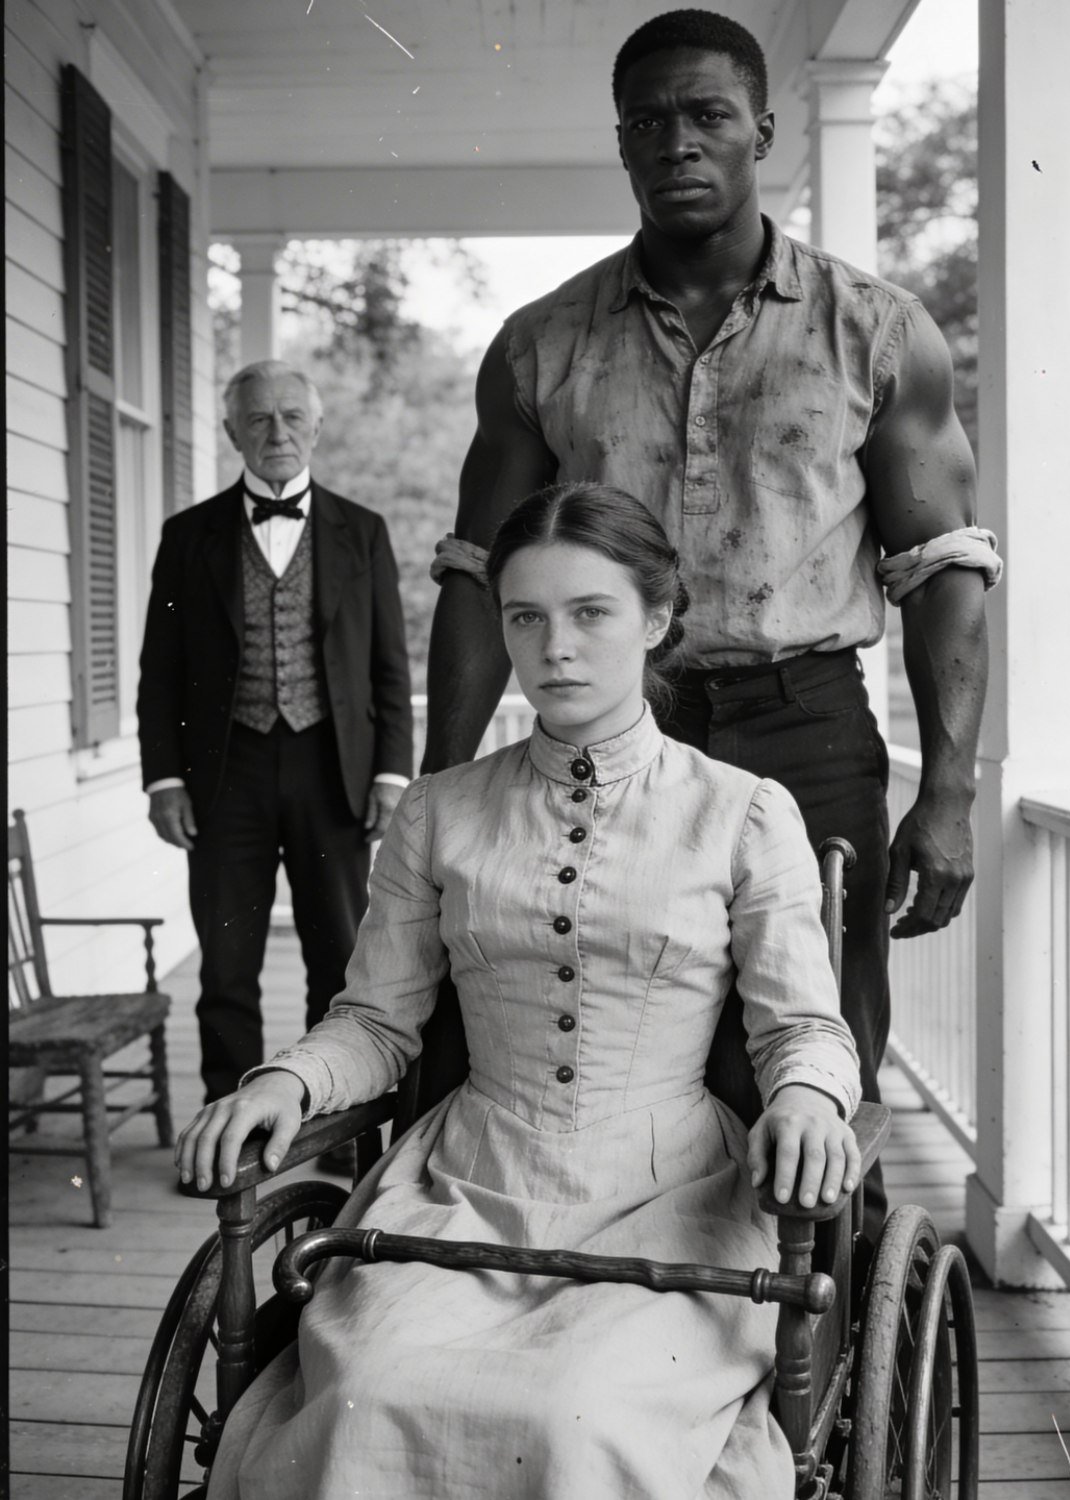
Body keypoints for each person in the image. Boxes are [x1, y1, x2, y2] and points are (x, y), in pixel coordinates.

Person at [422, 8, 1000, 1239]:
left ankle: (820, 1316)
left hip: (807, 728)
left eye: (707, 115)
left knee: (813, 1053)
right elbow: (478, 572)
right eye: (648, 121)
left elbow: (944, 565)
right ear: (622, 143)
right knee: (603, 1028)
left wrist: (949, 792)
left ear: (762, 132)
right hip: (605, 732)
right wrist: (438, 789)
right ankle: (634, 1306)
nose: (676, 141)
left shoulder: (876, 330)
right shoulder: (541, 346)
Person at [177, 483, 863, 1499]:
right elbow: (375, 1019)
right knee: (373, 1385)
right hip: (465, 1186)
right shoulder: (441, 813)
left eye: (591, 613)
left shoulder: (742, 814)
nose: (557, 649)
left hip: (671, 1199)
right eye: (526, 618)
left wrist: (805, 1096)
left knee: (575, 1412)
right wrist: (288, 1081)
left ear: (656, 620)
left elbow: (802, 1024)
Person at [137, 360, 413, 1109]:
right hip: (223, 775)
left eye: (292, 416)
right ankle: (229, 1129)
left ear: (316, 426)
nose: (277, 432)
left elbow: (389, 666)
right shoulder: (187, 536)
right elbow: (160, 671)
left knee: (339, 960)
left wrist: (391, 774)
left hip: (334, 772)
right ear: (233, 432)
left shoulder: (363, 531)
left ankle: (332, 1118)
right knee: (226, 966)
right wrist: (163, 780)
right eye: (258, 418)